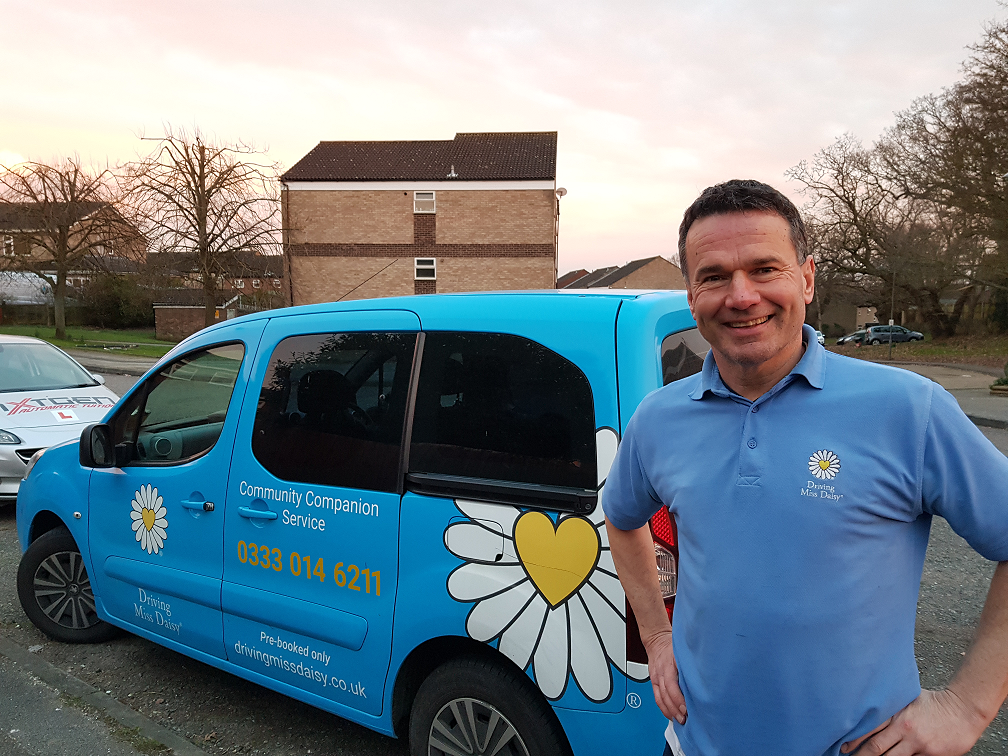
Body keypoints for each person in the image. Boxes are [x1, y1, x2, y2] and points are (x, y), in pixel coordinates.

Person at [603, 179, 1008, 756]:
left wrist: (967, 708)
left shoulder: (907, 409)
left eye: (765, 268)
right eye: (713, 276)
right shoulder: (659, 419)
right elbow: (621, 519)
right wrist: (656, 633)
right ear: (691, 296)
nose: (741, 296)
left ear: (808, 278)